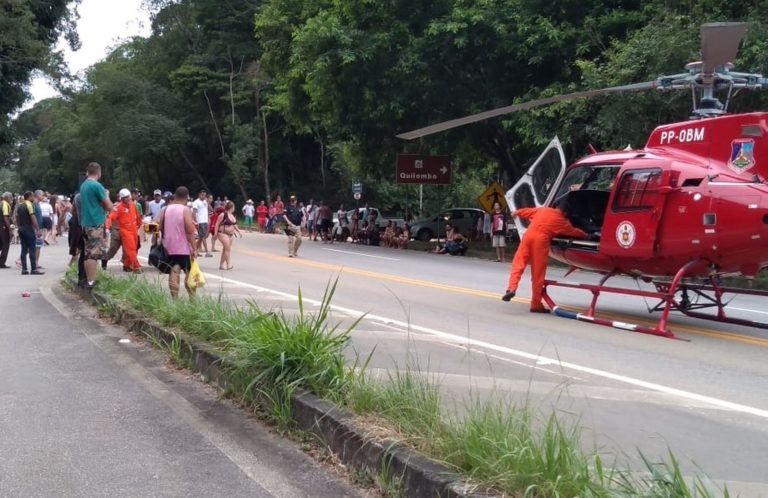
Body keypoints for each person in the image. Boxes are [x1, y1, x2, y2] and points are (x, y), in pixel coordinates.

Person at [502, 200, 587, 312]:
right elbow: (574, 232)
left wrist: (516, 213)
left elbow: (526, 211)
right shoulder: (562, 221)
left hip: (528, 236)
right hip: (541, 241)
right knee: (538, 273)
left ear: (556, 207)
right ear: (566, 213)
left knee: (518, 264)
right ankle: (535, 304)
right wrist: (586, 235)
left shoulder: (543, 210)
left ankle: (511, 289)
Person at [158, 186, 197, 298]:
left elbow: (160, 227)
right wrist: (194, 248)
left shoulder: (165, 209)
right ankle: (192, 300)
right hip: (183, 248)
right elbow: (190, 231)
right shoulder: (185, 210)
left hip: (168, 247)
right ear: (186, 197)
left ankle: (175, 299)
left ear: (175, 195)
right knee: (189, 273)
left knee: (174, 271)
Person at [80, 162, 112, 288]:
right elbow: (109, 206)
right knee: (94, 254)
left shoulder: (84, 185)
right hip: (96, 222)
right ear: (99, 172)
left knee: (88, 253)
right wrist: (107, 195)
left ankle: (88, 279)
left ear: (88, 172)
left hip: (86, 223)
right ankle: (92, 281)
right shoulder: (96, 186)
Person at [15, 191, 43, 275]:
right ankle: (34, 269)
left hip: (21, 229)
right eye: (32, 196)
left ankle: (24, 269)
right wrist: (38, 229)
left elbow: (16, 217)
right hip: (28, 229)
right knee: (32, 248)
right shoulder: (29, 205)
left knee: (23, 249)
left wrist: (19, 227)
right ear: (29, 196)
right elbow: (32, 217)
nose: (33, 198)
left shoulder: (19, 206)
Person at [213, 200, 240, 270]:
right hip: (222, 233)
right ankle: (228, 265)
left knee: (225, 249)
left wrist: (239, 232)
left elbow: (234, 225)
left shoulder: (232, 215)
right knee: (228, 249)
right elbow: (217, 224)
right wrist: (215, 234)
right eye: (234, 207)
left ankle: (221, 265)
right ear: (232, 207)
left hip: (230, 235)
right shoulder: (223, 215)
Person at [192, 190, 212, 256]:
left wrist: (207, 202)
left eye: (204, 195)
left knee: (201, 237)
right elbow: (194, 212)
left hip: (205, 221)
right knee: (202, 237)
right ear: (199, 195)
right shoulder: (196, 202)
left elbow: (210, 209)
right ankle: (206, 251)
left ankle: (195, 250)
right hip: (200, 221)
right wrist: (196, 222)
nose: (203, 196)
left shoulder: (205, 202)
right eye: (202, 195)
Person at [0, 192, 12, 268]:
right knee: (5, 245)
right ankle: (1, 263)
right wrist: (10, 229)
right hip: (3, 227)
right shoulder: (5, 204)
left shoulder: (1, 203)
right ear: (7, 198)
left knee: (1, 244)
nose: (11, 199)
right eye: (11, 198)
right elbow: (5, 217)